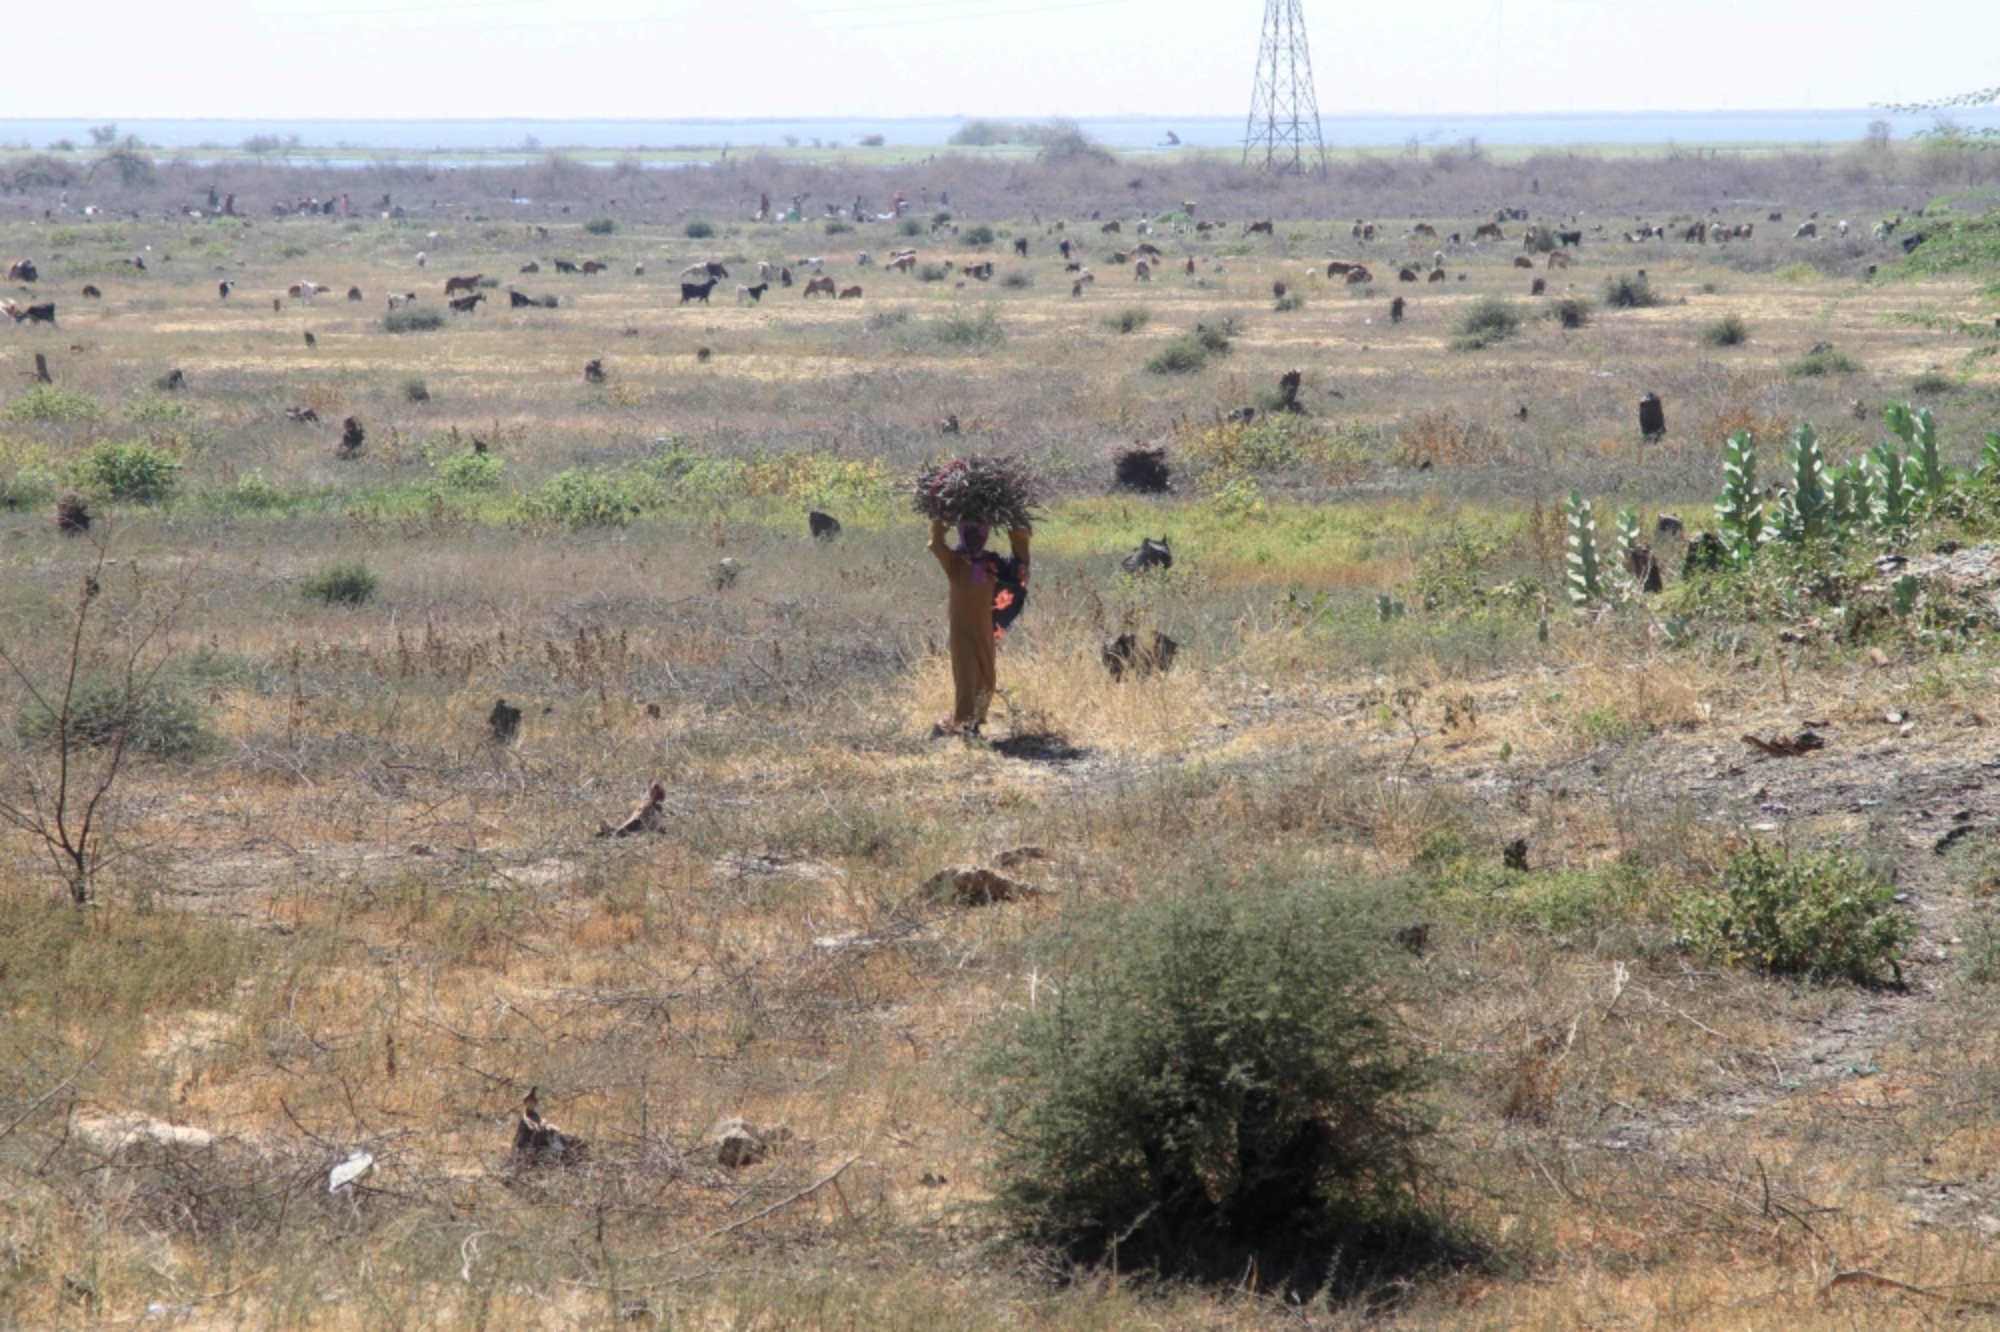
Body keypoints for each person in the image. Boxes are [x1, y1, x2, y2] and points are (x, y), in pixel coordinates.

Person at [927, 516, 1029, 735]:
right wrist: (938, 518)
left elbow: (1020, 567)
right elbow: (936, 546)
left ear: (986, 536)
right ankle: (965, 725)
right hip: (962, 630)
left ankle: (974, 721)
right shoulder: (955, 562)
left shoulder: (993, 564)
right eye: (970, 534)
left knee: (986, 678)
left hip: (985, 629)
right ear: (962, 535)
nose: (975, 539)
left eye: (980, 534)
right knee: (967, 678)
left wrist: (1017, 529)